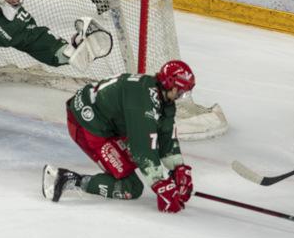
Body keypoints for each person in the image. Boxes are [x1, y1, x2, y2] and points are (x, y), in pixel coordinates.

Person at [42, 61, 196, 213]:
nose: (181, 95)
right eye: (180, 91)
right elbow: (142, 150)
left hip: (107, 122)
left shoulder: (162, 99)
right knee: (131, 187)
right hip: (87, 124)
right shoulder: (142, 101)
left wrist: (178, 169)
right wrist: (162, 185)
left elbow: (166, 137)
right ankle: (69, 179)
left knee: (140, 156)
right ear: (169, 84)